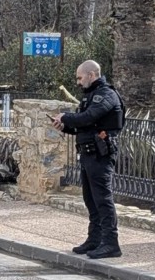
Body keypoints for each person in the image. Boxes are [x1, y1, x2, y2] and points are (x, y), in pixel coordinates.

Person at [52, 60, 125, 260]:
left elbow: (89, 117)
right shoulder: (90, 96)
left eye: (80, 77)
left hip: (100, 154)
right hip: (87, 154)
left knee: (103, 199)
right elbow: (83, 124)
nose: (78, 82)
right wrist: (65, 126)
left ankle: (111, 243)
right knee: (90, 199)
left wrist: (66, 117)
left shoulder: (106, 95)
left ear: (92, 75)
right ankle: (95, 239)